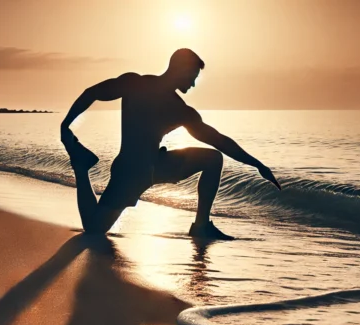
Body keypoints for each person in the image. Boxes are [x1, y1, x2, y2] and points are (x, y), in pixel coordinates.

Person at [60, 48, 281, 240]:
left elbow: (218, 140)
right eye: (192, 76)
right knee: (94, 229)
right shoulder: (136, 85)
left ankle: (201, 226)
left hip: (155, 165)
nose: (193, 84)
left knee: (213, 158)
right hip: (130, 172)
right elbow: (94, 93)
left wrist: (256, 163)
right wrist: (66, 123)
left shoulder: (180, 110)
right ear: (181, 70)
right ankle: (81, 167)